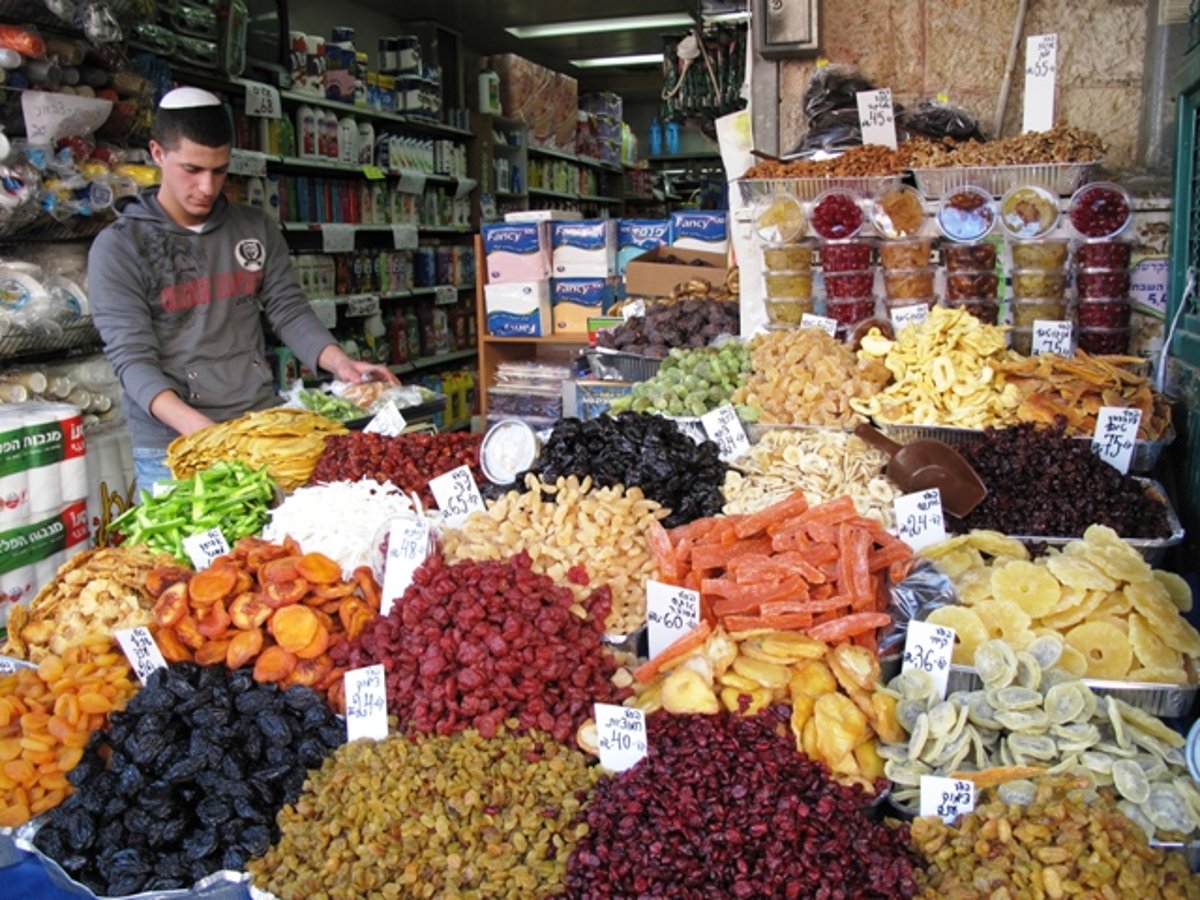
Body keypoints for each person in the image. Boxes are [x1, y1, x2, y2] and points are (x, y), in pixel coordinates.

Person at [88, 87, 395, 496]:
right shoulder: (121, 246)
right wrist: (203, 434)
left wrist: (340, 363)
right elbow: (132, 361)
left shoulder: (254, 227)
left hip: (258, 428)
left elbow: (288, 309)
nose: (207, 186)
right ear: (157, 153)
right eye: (192, 169)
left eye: (219, 170)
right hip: (174, 446)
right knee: (186, 559)